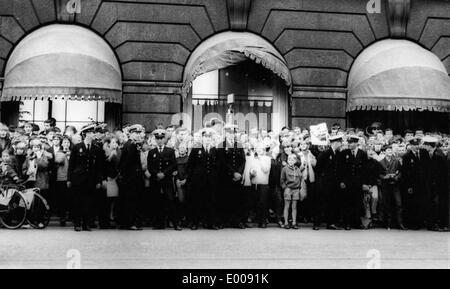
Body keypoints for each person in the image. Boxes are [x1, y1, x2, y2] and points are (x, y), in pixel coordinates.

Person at [67, 124, 104, 232]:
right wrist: (69, 179)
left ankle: (86, 224)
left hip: (91, 180)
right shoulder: (77, 147)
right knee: (77, 202)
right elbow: (71, 165)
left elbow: (98, 167)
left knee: (89, 203)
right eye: (91, 132)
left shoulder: (96, 149)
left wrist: (98, 180)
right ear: (85, 134)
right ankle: (77, 224)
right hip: (78, 179)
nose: (93, 134)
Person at [187, 128, 220, 230]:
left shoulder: (215, 150)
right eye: (205, 137)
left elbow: (218, 165)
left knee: (211, 201)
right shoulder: (196, 149)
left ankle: (210, 222)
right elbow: (190, 165)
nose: (207, 139)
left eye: (209, 137)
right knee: (197, 201)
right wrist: (191, 178)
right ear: (202, 138)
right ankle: (195, 223)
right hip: (198, 180)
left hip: (211, 180)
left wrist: (216, 177)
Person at [147, 129, 180, 230]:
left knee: (170, 201)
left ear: (165, 139)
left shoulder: (170, 151)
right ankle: (159, 224)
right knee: (157, 201)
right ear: (155, 139)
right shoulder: (151, 152)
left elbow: (174, 165)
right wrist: (157, 174)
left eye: (161, 138)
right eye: (157, 138)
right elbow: (150, 166)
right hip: (156, 180)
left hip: (167, 180)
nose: (160, 140)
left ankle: (175, 224)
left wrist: (164, 173)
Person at [337, 135, 368, 230]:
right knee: (347, 203)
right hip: (347, 183)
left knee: (358, 202)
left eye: (351, 143)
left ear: (356, 143)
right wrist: (342, 181)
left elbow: (365, 170)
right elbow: (340, 169)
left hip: (358, 183)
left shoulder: (362, 153)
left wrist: (364, 183)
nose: (349, 144)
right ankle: (347, 223)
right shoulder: (344, 153)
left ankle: (357, 222)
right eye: (349, 143)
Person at [218, 124, 246, 229]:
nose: (231, 135)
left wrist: (239, 173)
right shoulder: (221, 145)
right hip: (226, 176)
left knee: (237, 199)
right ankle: (224, 221)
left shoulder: (239, 144)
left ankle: (237, 221)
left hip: (238, 177)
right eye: (229, 132)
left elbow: (243, 160)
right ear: (225, 133)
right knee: (225, 198)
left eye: (233, 133)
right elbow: (222, 161)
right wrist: (233, 172)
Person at [118, 124, 145, 230]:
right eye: (136, 133)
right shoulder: (130, 145)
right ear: (131, 134)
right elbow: (127, 164)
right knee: (131, 201)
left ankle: (128, 222)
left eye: (139, 133)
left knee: (130, 201)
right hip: (131, 178)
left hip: (131, 177)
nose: (138, 135)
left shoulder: (131, 144)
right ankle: (130, 222)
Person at [313, 134, 342, 230]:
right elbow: (318, 169)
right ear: (335, 143)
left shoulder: (337, 154)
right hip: (324, 183)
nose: (341, 144)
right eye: (340, 142)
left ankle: (330, 223)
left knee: (331, 203)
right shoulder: (325, 153)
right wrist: (320, 181)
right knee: (320, 203)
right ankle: (316, 223)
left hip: (333, 184)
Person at [421, 136, 447, 231]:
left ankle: (439, 223)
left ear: (429, 145)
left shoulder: (439, 155)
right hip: (432, 184)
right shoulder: (429, 154)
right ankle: (432, 223)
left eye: (425, 145)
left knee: (438, 204)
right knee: (432, 203)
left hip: (439, 185)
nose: (424, 146)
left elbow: (442, 172)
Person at [401, 138, 427, 230]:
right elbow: (405, 172)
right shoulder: (406, 156)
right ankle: (413, 223)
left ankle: (421, 222)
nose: (416, 146)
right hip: (412, 184)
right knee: (413, 204)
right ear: (411, 146)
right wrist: (408, 186)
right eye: (414, 145)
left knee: (422, 202)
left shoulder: (424, 153)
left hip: (423, 183)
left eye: (417, 144)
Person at [379, 145, 405, 230]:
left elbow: (401, 171)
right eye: (388, 150)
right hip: (386, 185)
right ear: (384, 152)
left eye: (391, 150)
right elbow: (379, 174)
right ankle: (388, 224)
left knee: (398, 204)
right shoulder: (381, 162)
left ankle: (400, 223)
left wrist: (397, 177)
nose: (390, 151)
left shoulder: (396, 161)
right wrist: (385, 177)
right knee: (387, 204)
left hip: (395, 185)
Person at [250, 144, 272, 228]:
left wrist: (260, 159)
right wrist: (252, 172)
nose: (258, 150)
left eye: (260, 148)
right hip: (255, 183)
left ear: (263, 150)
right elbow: (251, 169)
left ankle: (263, 221)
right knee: (256, 202)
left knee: (263, 203)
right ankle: (257, 220)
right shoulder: (253, 158)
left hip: (263, 184)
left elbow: (266, 169)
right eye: (257, 148)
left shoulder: (267, 158)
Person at [280, 154, 302, 229]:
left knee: (294, 207)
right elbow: (282, 180)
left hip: (296, 189)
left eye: (292, 160)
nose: (290, 161)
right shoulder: (284, 169)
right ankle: (286, 222)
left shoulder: (298, 169)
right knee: (287, 206)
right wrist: (285, 188)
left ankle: (294, 223)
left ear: (295, 161)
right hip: (288, 189)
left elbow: (300, 178)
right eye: (289, 159)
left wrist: (299, 187)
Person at [53, 136, 71, 226]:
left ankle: (71, 216)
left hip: (71, 177)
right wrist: (65, 154)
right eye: (64, 142)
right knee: (62, 199)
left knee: (70, 198)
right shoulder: (59, 152)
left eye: (68, 142)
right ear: (61, 144)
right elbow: (58, 160)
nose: (66, 144)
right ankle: (62, 217)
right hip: (61, 178)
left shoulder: (73, 152)